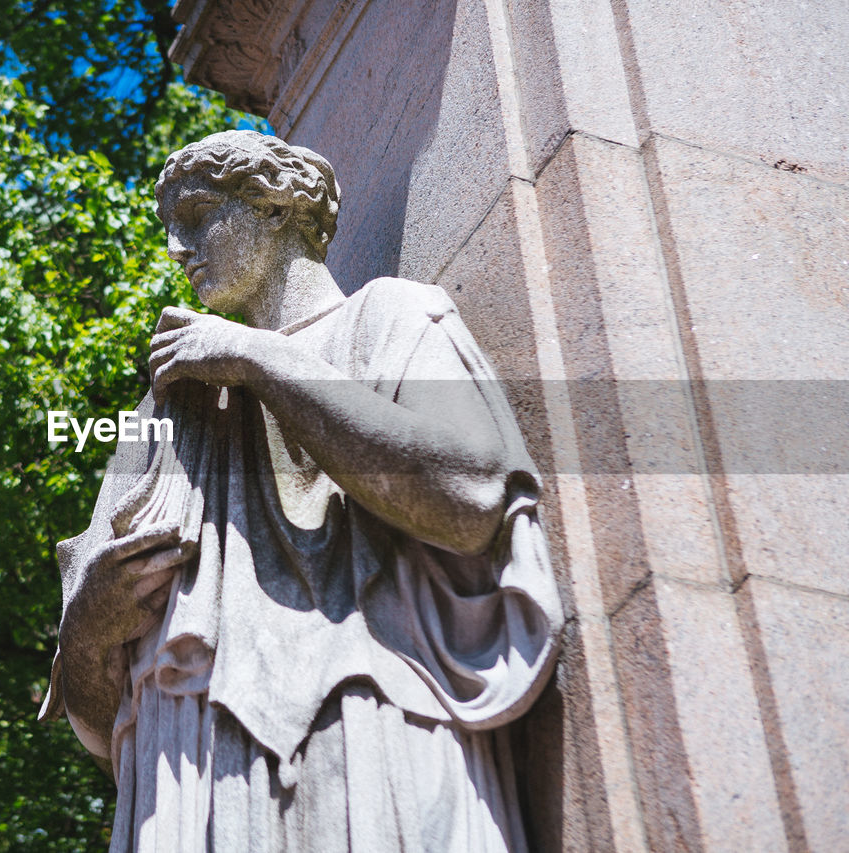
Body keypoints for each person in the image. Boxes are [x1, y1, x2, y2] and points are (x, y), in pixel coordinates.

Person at [39, 130, 562, 852]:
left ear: (278, 208)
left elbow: (471, 499)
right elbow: (98, 719)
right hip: (191, 772)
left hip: (368, 723)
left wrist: (259, 358)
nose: (175, 247)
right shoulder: (168, 407)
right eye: (168, 228)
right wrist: (87, 626)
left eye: (195, 215)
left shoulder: (393, 318)